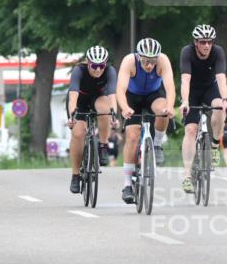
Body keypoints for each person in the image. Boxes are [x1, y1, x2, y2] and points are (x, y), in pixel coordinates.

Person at [116, 37, 176, 204]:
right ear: (138, 56)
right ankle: (127, 185)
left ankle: (156, 144)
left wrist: (170, 106)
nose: (149, 65)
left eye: (152, 61)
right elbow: (120, 89)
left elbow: (170, 87)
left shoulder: (163, 60)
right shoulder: (129, 61)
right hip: (132, 97)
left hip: (153, 95)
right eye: (145, 61)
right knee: (133, 137)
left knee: (163, 111)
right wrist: (125, 107)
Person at [179, 24, 227, 194]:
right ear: (196, 43)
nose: (207, 45)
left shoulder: (218, 52)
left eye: (209, 42)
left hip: (211, 88)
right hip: (192, 91)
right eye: (203, 42)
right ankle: (187, 176)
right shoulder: (187, 52)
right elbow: (185, 80)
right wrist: (185, 101)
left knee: (219, 107)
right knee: (191, 130)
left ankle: (215, 146)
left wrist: (225, 100)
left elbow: (221, 78)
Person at [66, 45, 119, 194]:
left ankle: (103, 145)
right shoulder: (78, 71)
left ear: (105, 64)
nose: (98, 69)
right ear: (88, 63)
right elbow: (73, 97)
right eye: (94, 66)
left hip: (98, 97)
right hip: (79, 100)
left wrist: (114, 115)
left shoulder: (110, 71)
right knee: (78, 134)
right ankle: (75, 175)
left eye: (101, 65)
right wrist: (72, 116)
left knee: (104, 110)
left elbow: (112, 96)